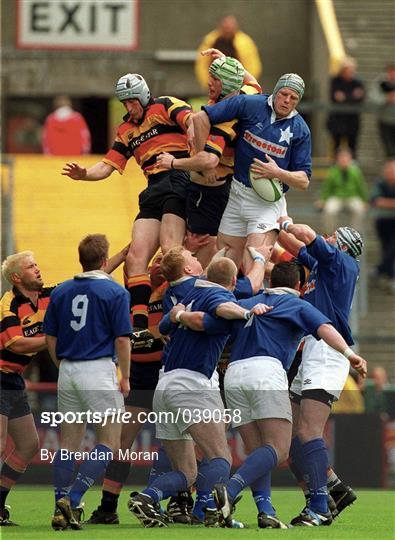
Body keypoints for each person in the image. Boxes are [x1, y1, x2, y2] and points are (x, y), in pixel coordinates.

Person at [127, 257, 269, 528]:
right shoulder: (217, 293)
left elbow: (166, 325)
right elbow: (224, 307)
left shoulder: (186, 295)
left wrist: (180, 315)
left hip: (165, 386)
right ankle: (214, 514)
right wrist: (245, 312)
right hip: (191, 386)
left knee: (186, 472)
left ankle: (147, 498)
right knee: (220, 457)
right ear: (230, 283)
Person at [61, 74, 193, 343]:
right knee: (135, 258)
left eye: (132, 101)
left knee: (170, 251)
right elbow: (106, 166)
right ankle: (140, 327)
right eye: (124, 103)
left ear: (144, 96)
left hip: (179, 178)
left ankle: (184, 309)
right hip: (154, 187)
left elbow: (194, 122)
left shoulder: (166, 105)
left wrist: (196, 155)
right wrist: (84, 174)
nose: (129, 107)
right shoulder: (125, 129)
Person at [278, 219, 365, 526]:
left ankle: (320, 506)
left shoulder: (340, 260)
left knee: (307, 431)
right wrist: (271, 226)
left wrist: (285, 220)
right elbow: (294, 246)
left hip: (328, 352)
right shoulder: (325, 265)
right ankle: (332, 491)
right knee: (287, 437)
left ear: (341, 246)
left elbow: (305, 235)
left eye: (332, 237)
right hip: (314, 349)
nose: (326, 239)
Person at [43, 234, 132, 530]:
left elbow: (50, 337)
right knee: (109, 441)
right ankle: (74, 498)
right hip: (98, 370)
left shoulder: (61, 291)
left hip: (68, 370)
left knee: (68, 443)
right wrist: (126, 377)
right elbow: (122, 338)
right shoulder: (115, 292)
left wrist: (62, 365)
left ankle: (60, 502)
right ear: (105, 261)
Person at [84, 254, 173, 525]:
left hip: (167, 373)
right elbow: (97, 273)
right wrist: (129, 252)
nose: (156, 264)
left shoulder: (175, 292)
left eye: (162, 261)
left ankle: (180, 502)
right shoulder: (131, 292)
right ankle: (108, 506)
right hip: (140, 378)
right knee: (121, 442)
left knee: (177, 442)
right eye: (153, 260)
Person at [192, 73, 311, 270]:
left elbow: (304, 180)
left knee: (253, 260)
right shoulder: (250, 104)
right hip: (237, 194)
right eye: (284, 94)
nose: (287, 101)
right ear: (276, 91)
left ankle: (271, 295)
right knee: (224, 263)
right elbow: (200, 118)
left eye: (294, 98)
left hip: (267, 203)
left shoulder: (300, 130)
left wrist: (277, 172)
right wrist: (203, 161)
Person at [158, 50, 262, 267]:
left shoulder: (222, 121)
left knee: (203, 250)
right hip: (227, 185)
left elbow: (208, 161)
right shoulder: (247, 93)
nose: (209, 83)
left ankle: (192, 293)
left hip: (207, 190)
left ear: (226, 84)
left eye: (215, 79)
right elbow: (251, 80)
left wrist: (174, 163)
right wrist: (227, 61)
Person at [0, 251, 52, 526]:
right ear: (17, 277)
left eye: (37, 263)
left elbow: (87, 283)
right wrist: (52, 338)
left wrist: (114, 258)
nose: (38, 269)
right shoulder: (8, 304)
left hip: (14, 379)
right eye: (31, 266)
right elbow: (16, 344)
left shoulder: (46, 296)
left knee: (29, 445)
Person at [195, 15, 262, 92]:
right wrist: (206, 83)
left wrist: (246, 85)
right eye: (225, 27)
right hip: (215, 83)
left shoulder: (244, 43)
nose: (228, 30)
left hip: (238, 84)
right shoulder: (211, 40)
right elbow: (202, 63)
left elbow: (252, 64)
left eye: (230, 27)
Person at [318, 148, 368, 232]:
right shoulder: (333, 171)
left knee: (359, 209)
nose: (344, 160)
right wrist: (323, 199)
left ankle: (354, 234)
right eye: (341, 158)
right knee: (329, 210)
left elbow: (361, 186)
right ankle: (331, 233)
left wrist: (365, 200)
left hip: (352, 196)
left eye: (346, 158)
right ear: (338, 159)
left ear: (350, 159)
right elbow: (327, 187)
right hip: (336, 196)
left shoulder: (355, 171)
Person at [326, 58, 365, 158]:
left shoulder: (358, 82)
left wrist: (345, 97)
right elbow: (335, 97)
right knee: (336, 146)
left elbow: (361, 98)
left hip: (352, 120)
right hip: (337, 120)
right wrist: (352, 97)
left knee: (353, 147)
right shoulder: (336, 81)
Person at [370, 159, 395, 291]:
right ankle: (388, 273)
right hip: (383, 224)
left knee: (392, 249)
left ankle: (381, 269)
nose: (391, 173)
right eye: (389, 170)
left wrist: (387, 203)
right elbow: (376, 200)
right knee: (387, 249)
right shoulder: (381, 184)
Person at [370, 63, 395, 158]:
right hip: (385, 120)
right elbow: (373, 97)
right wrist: (386, 98)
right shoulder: (381, 83)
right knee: (389, 149)